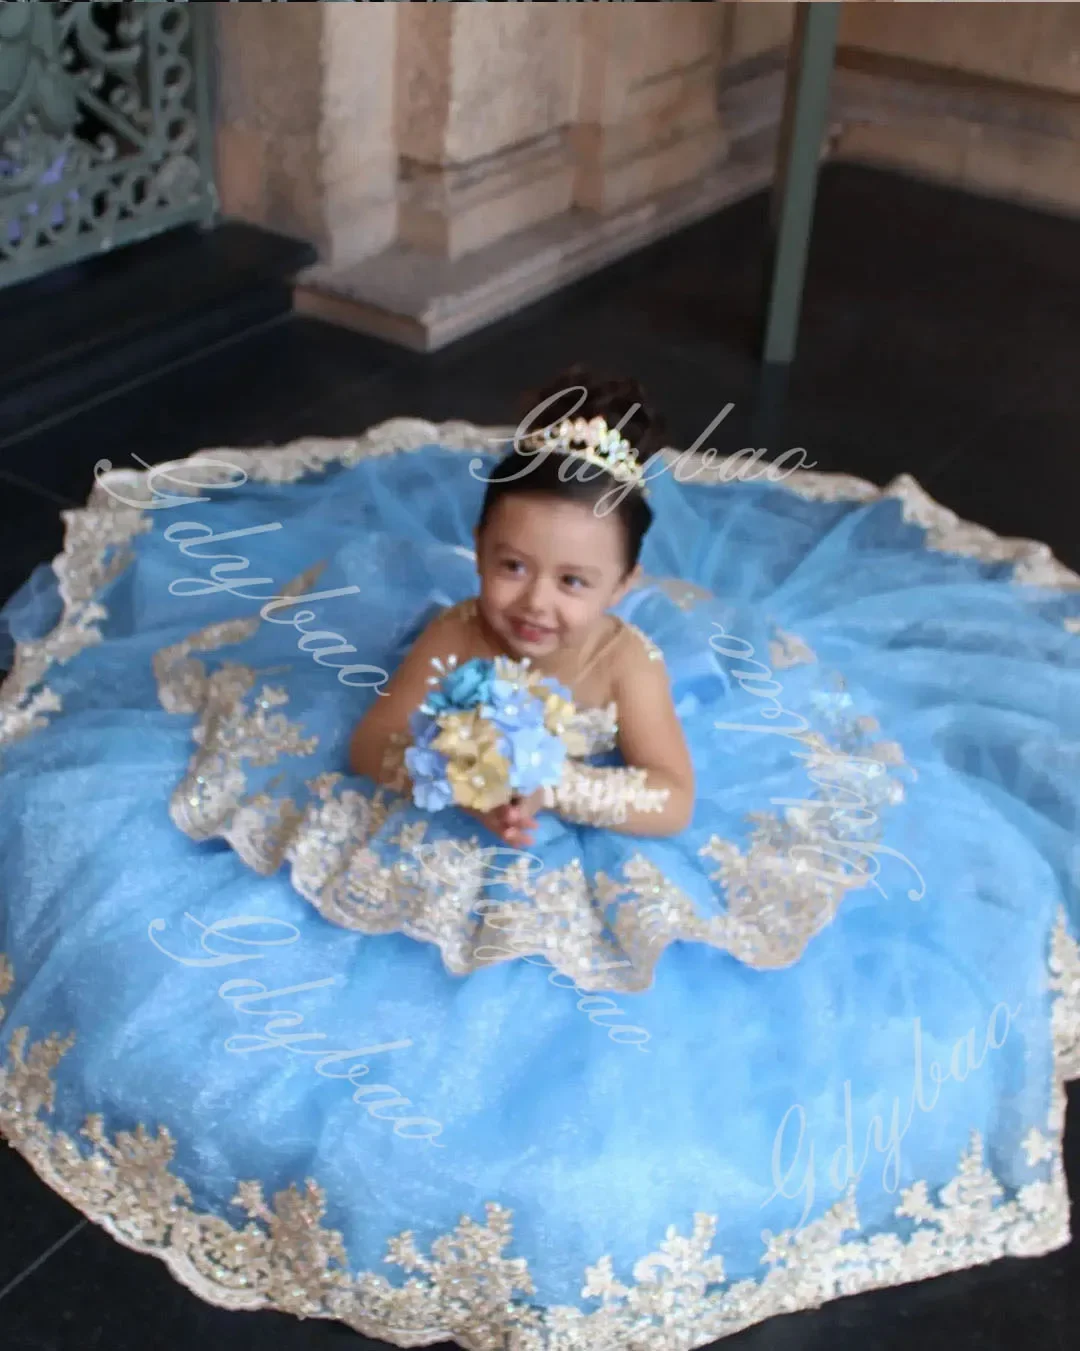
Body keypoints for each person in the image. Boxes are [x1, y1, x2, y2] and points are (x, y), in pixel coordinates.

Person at [0, 367, 1078, 1351]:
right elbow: (370, 742)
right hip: (460, 792)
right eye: (511, 565)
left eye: (573, 580)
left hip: (584, 801)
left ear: (623, 582)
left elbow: (670, 797)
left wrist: (558, 787)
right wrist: (447, 769)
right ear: (477, 553)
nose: (534, 603)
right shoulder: (456, 634)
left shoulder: (627, 664)